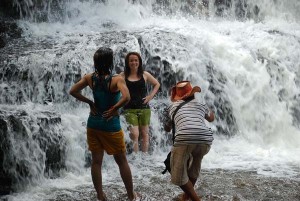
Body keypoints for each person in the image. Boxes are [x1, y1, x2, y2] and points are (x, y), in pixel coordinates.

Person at [69, 47, 139, 201]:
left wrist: (89, 102)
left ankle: (100, 196)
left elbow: (73, 90)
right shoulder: (116, 79)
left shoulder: (89, 78)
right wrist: (114, 108)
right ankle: (131, 196)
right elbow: (126, 97)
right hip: (110, 126)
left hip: (93, 124)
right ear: (110, 62)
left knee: (96, 161)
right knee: (122, 161)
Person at [163, 81, 215, 201]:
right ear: (192, 94)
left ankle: (196, 199)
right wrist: (209, 109)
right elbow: (211, 118)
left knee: (177, 175)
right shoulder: (201, 104)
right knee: (194, 167)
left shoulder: (172, 107)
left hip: (185, 139)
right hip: (205, 139)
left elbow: (167, 128)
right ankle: (185, 197)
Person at [120, 52, 160, 153]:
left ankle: (145, 157)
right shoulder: (122, 75)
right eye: (131, 60)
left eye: (136, 60)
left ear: (139, 62)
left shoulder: (145, 74)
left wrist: (150, 96)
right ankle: (136, 158)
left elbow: (157, 84)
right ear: (127, 63)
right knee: (134, 134)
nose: (134, 62)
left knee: (145, 134)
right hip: (129, 109)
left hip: (144, 108)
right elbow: (113, 87)